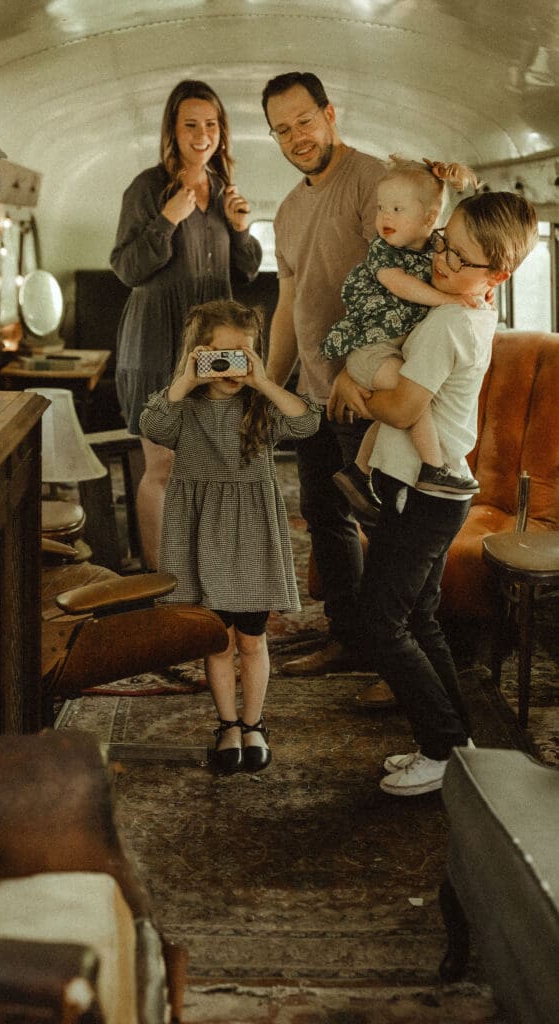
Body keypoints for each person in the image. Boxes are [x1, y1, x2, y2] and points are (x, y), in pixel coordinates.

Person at [329, 191, 538, 796]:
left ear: (495, 275)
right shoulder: (469, 306)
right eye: (442, 242)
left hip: (427, 492)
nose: (441, 261)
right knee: (418, 615)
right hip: (432, 489)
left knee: (381, 620)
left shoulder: (451, 320)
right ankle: (457, 742)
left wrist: (352, 382)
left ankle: (441, 747)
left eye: (459, 257)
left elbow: (400, 406)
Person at [139, 300, 320, 773]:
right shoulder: (185, 406)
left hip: (251, 533)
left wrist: (263, 380)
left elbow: (306, 422)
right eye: (220, 356)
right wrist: (186, 379)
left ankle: (254, 722)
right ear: (198, 355)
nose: (230, 367)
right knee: (216, 642)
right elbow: (151, 425)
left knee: (253, 640)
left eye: (243, 355)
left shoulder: (260, 402)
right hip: (201, 531)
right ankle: (228, 725)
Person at [261, 71, 387, 684]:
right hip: (312, 392)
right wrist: (267, 381)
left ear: (330, 113)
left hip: (366, 391)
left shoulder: (373, 183)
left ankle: (398, 651)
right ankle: (350, 638)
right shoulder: (287, 210)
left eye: (304, 121)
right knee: (322, 513)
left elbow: (392, 291)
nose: (296, 137)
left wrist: (354, 371)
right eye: (281, 130)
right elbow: (289, 302)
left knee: (380, 519)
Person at [110, 80, 262, 569]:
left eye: (211, 124)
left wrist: (241, 230)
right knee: (164, 465)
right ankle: (162, 581)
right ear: (172, 131)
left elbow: (248, 270)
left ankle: (203, 568)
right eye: (190, 124)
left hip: (214, 346)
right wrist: (166, 221)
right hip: (157, 344)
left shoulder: (223, 192)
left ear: (222, 131)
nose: (202, 135)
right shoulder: (147, 188)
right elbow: (126, 268)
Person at [321, 156, 481, 522]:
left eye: (396, 209)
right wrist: (448, 299)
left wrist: (462, 187)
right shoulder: (383, 251)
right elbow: (400, 285)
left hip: (390, 351)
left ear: (428, 220)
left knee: (396, 410)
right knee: (411, 402)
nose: (384, 218)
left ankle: (358, 474)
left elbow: (469, 232)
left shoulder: (435, 248)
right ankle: (434, 467)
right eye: (380, 208)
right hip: (370, 352)